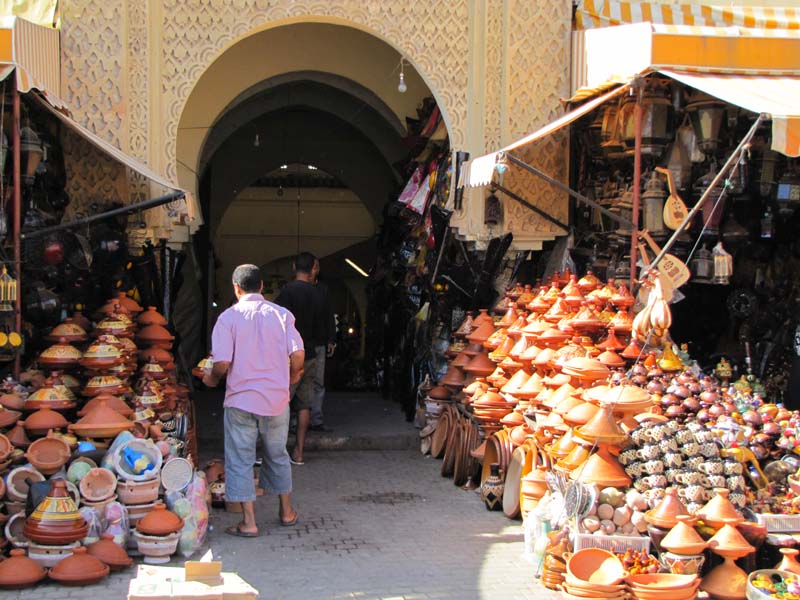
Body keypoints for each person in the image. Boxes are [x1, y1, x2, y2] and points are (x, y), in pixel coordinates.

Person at [203, 264, 304, 537]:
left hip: (241, 402)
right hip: (276, 400)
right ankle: (286, 511)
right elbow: (298, 355)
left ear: (236, 288)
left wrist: (211, 379)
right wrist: (293, 375)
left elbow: (222, 364)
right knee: (278, 454)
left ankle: (249, 522)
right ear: (261, 287)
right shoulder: (282, 315)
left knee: (240, 460)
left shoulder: (228, 318)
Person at [275, 251, 325, 465]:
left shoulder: (287, 292)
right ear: (313, 267)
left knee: (281, 402)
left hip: (290, 355)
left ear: (294, 266)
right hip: (311, 354)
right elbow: (323, 327)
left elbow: (277, 323)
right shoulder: (319, 293)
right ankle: (299, 452)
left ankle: (277, 453)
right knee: (304, 404)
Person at [310, 260, 336, 432]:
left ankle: (316, 420)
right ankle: (295, 421)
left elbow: (329, 315)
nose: (314, 270)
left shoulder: (323, 290)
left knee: (318, 383)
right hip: (298, 345)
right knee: (294, 383)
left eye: (317, 266)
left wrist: (331, 339)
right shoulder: (291, 289)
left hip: (319, 342)